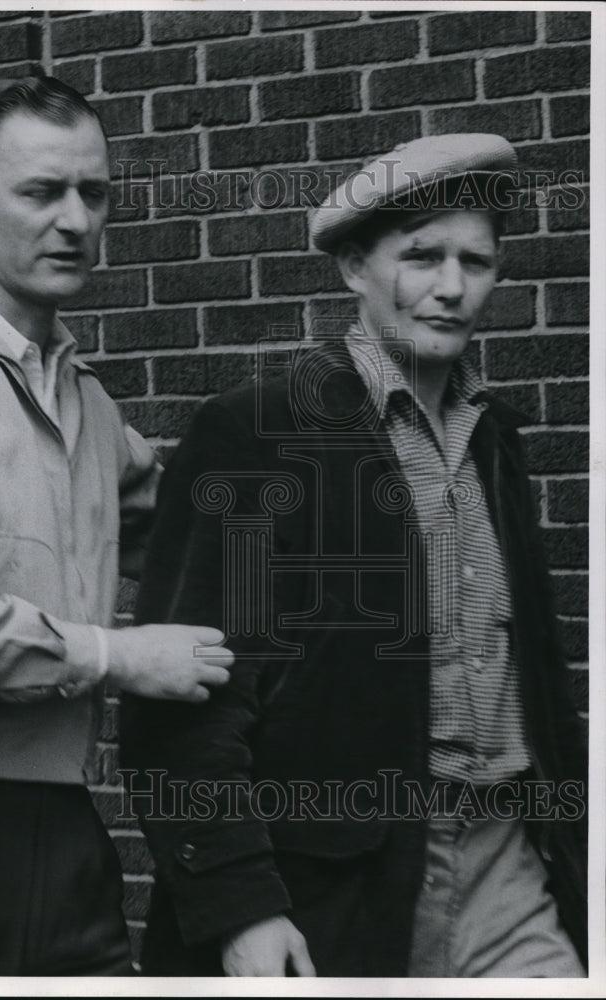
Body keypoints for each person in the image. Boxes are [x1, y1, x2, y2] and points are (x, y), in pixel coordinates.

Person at [119, 133, 588, 977]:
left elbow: (544, 687)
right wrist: (241, 905)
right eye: (422, 257)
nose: (451, 287)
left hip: (507, 864)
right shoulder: (261, 432)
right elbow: (185, 708)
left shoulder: (498, 441)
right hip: (338, 885)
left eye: (475, 262)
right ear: (353, 269)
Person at [0, 74, 232, 976]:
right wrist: (118, 655)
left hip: (59, 819)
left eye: (92, 193)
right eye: (41, 191)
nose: (74, 220)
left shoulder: (86, 404)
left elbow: (195, 533)